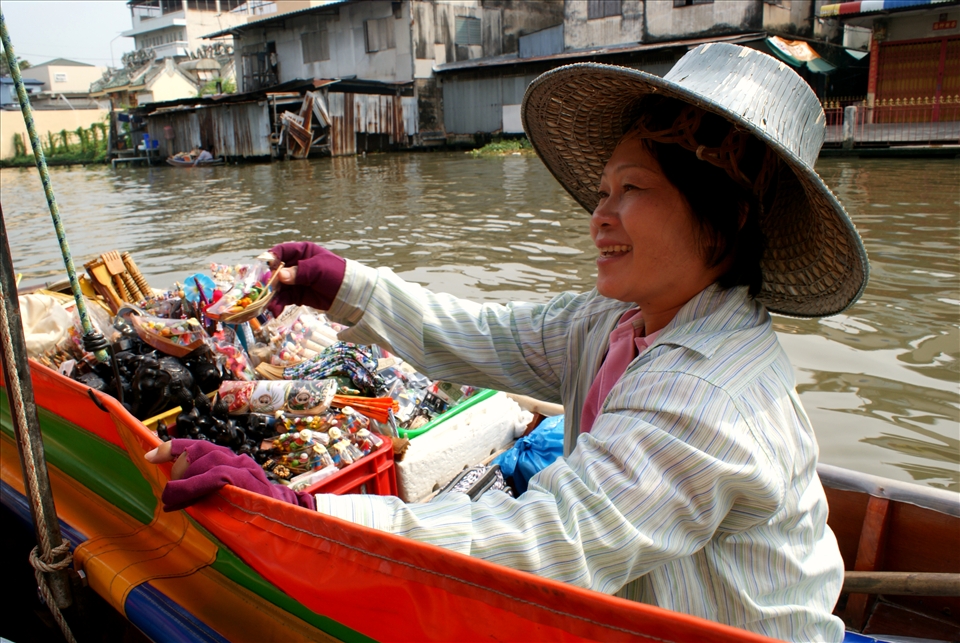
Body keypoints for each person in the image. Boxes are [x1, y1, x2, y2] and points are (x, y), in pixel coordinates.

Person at [147, 43, 869, 642]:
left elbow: (551, 539)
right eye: (605, 189)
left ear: (729, 216)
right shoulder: (616, 321)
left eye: (633, 190)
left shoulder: (707, 393)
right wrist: (347, 285)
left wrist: (302, 513)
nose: (601, 217)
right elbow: (484, 334)